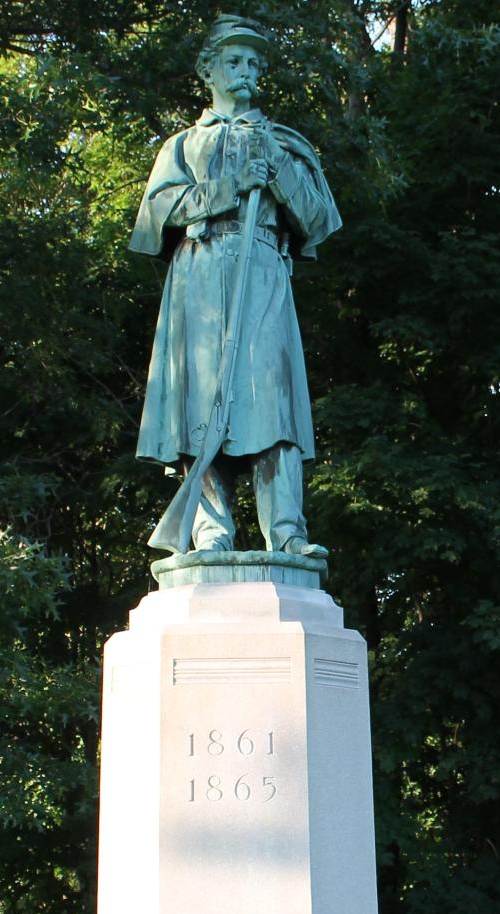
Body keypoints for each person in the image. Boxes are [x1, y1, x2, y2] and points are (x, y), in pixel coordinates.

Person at [130, 14, 341, 557]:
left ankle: (288, 533)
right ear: (209, 71)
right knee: (201, 403)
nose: (245, 71)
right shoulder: (182, 146)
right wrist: (228, 188)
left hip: (266, 269)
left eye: (252, 62)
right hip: (199, 275)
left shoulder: (286, 143)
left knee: (274, 401)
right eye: (233, 61)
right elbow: (155, 216)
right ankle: (209, 532)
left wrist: (278, 175)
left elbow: (319, 222)